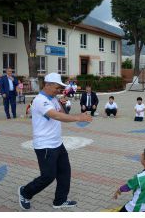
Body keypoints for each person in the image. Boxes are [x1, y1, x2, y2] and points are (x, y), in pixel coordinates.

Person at [18, 73, 92, 210]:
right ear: (47, 85)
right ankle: (25, 192)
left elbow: (63, 113)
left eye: (60, 88)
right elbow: (55, 115)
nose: (58, 90)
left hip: (57, 143)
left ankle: (60, 200)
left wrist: (62, 103)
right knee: (48, 176)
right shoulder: (40, 100)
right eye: (57, 87)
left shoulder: (53, 98)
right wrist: (79, 118)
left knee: (65, 172)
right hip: (45, 146)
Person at [113, 147, 145, 212]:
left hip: (135, 207)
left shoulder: (140, 177)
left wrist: (119, 190)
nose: (141, 155)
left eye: (142, 155)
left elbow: (128, 186)